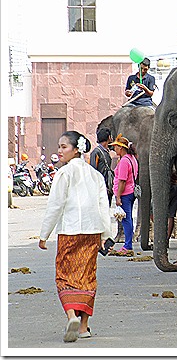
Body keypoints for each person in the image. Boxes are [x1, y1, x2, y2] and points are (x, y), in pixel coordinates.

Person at [39, 130, 113, 343]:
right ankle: (83, 327)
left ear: (76, 149)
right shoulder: (95, 175)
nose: (59, 151)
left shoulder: (64, 173)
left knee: (64, 275)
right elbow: (103, 206)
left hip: (70, 231)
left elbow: (55, 205)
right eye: (59, 146)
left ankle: (71, 315)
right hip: (92, 232)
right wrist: (106, 235)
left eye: (64, 147)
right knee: (87, 276)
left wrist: (44, 234)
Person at [108, 134, 138, 254]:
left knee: (126, 220)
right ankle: (128, 244)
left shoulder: (125, 161)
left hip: (125, 193)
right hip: (130, 191)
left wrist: (118, 196)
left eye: (116, 147)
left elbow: (122, 180)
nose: (114, 149)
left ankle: (128, 245)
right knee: (128, 218)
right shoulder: (132, 159)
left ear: (121, 148)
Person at [89, 127, 114, 205]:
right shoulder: (96, 152)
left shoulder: (105, 152)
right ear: (109, 137)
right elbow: (93, 171)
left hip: (107, 188)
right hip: (101, 188)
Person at [167, 173, 177, 240]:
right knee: (171, 214)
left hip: (169, 186)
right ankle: (167, 238)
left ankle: (166, 237)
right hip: (175, 185)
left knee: (171, 215)